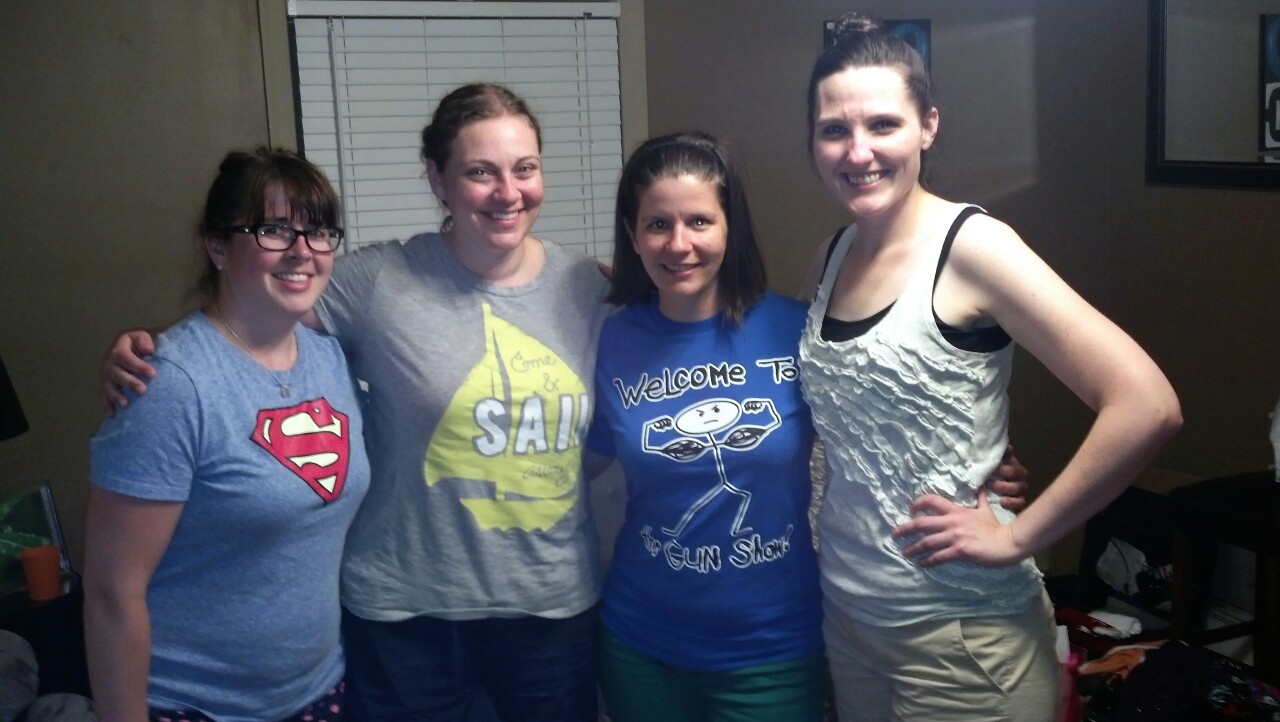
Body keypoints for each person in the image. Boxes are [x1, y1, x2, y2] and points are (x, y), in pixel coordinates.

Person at [101, 83, 613, 722]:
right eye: (480, 171)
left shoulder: (590, 288)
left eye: (525, 168)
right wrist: (148, 349)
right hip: (404, 616)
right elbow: (251, 310)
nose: (508, 192)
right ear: (438, 179)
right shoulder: (377, 283)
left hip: (552, 608)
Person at [796, 12, 1183, 722]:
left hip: (964, 636)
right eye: (834, 130)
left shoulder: (974, 247)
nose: (858, 151)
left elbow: (1146, 404)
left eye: (883, 124)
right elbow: (865, 414)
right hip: (850, 619)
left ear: (927, 126)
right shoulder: (831, 254)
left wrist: (1017, 537)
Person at [586, 131, 1031, 721]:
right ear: (632, 233)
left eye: (699, 221)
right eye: (657, 225)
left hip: (771, 646)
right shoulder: (612, 339)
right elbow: (573, 463)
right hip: (641, 641)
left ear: (729, 228)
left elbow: (881, 422)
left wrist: (981, 463)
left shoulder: (795, 330)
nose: (679, 244)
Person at [84, 148, 371, 722]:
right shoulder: (168, 385)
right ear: (217, 247)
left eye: (318, 232)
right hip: (193, 705)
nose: (302, 250)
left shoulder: (331, 358)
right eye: (274, 229)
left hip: (319, 692)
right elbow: (113, 594)